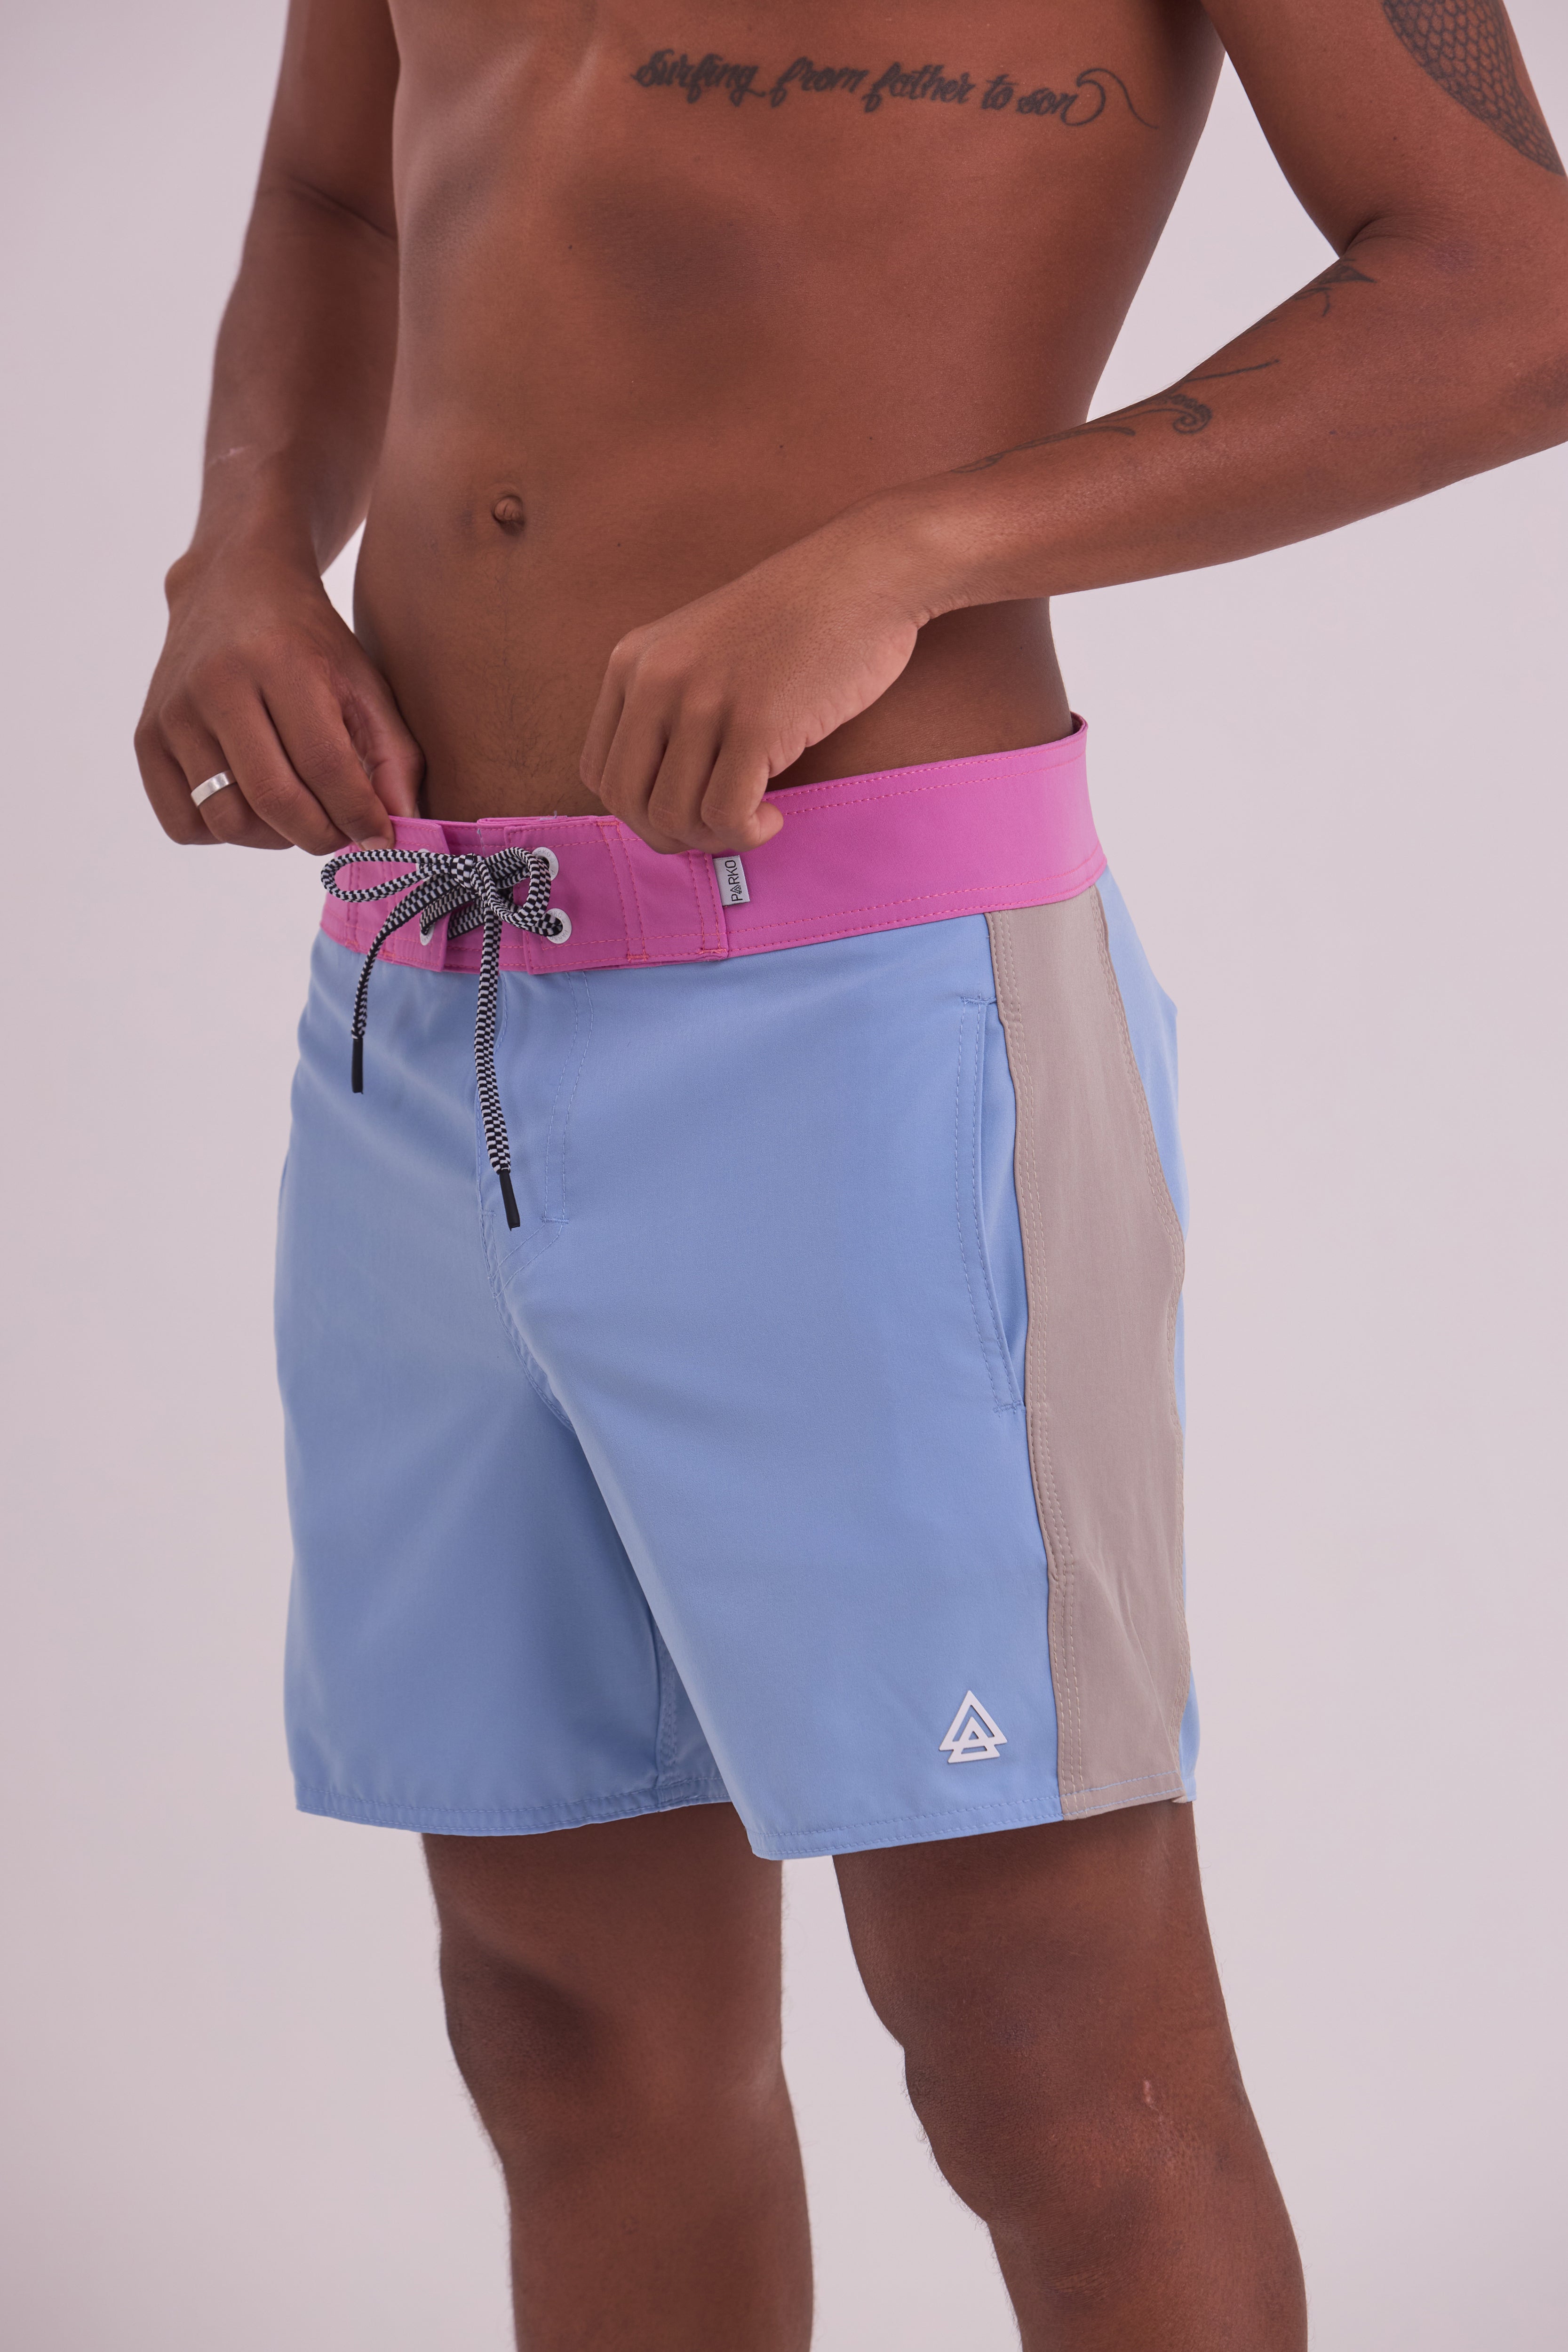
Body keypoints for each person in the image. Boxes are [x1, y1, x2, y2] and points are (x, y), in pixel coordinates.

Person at [135, 3, 1566, 2343]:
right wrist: (241, 549)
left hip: (866, 1004)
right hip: (418, 986)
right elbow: (336, 187)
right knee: (562, 2020)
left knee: (1046, 2052)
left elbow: (1521, 285)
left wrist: (922, 546)